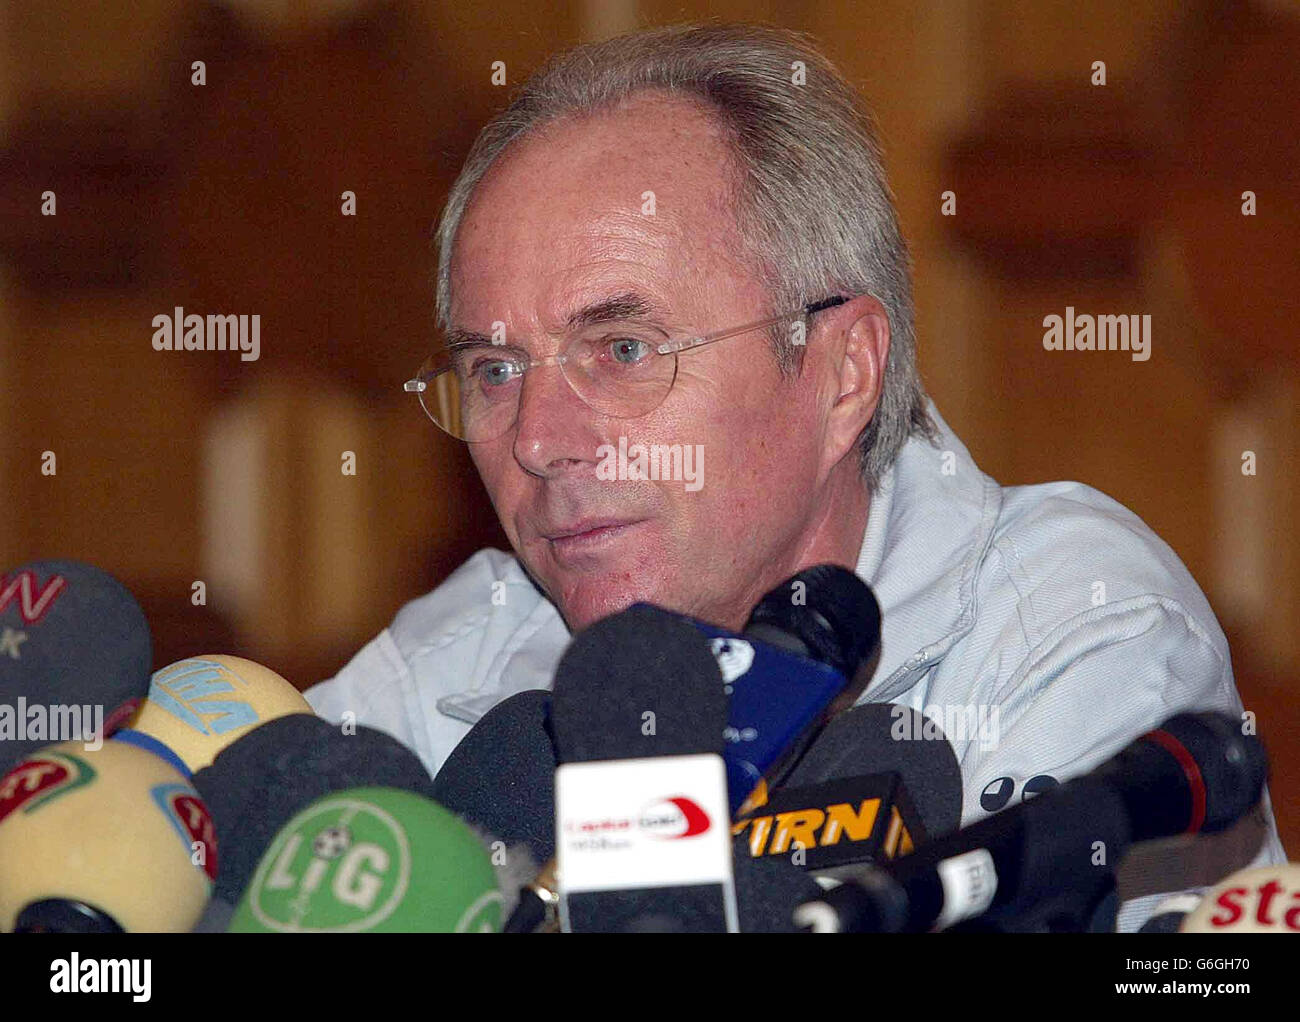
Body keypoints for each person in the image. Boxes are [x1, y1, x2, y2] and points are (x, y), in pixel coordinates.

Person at [304, 22, 1285, 931]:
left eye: (624, 347)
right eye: (494, 368)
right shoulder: (455, 665)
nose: (536, 439)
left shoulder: (1061, 628)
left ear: (840, 371)